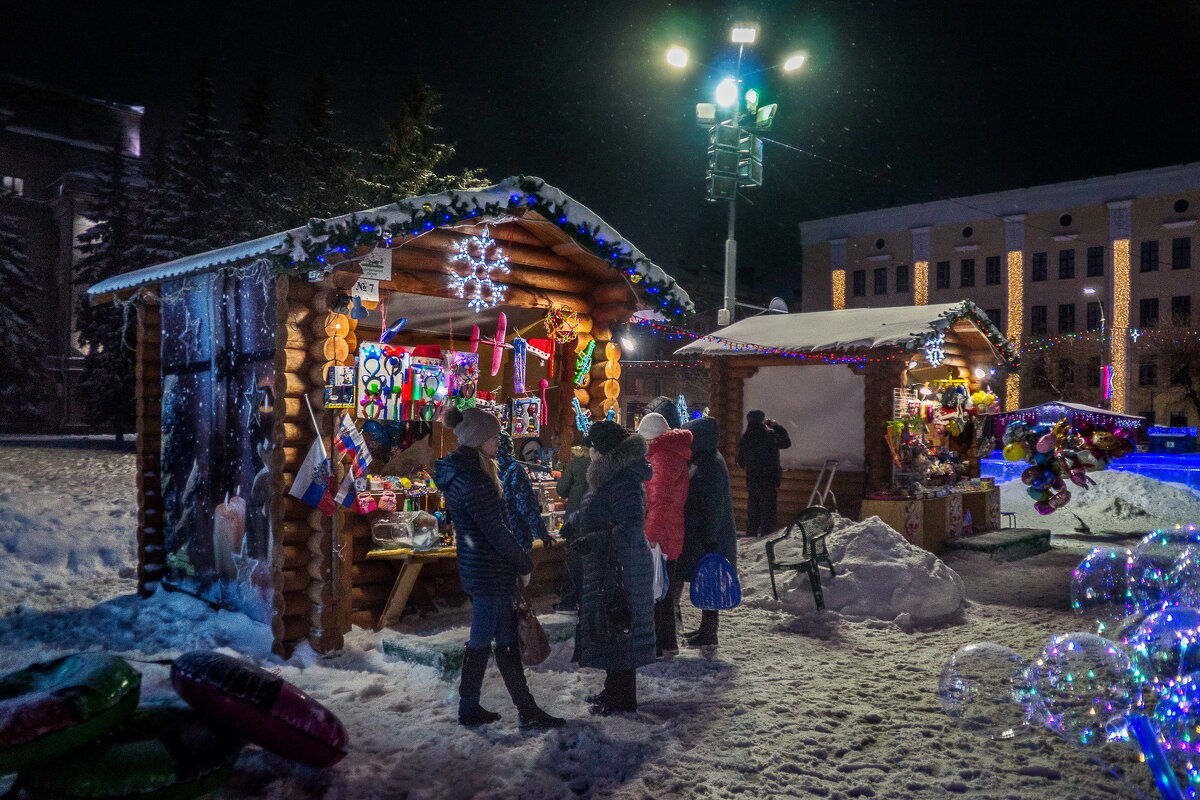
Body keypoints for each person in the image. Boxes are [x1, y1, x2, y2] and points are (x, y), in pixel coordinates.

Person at [434, 407, 564, 731]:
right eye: (492, 436)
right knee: (482, 641)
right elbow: (496, 530)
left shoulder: (465, 473)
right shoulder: (474, 479)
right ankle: (475, 706)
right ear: (479, 440)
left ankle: (520, 707)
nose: (497, 441)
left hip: (482, 568)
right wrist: (524, 563)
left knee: (503, 639)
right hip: (489, 571)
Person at [572, 420, 656, 715]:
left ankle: (622, 700)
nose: (589, 453)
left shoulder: (624, 481)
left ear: (604, 452)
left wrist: (595, 540)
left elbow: (631, 528)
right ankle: (613, 692)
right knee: (611, 627)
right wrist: (575, 525)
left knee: (620, 629)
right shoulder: (611, 478)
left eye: (592, 448)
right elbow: (598, 510)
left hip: (623, 569)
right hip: (611, 566)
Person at [677, 415, 737, 659]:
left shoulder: (709, 465)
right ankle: (705, 631)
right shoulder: (708, 459)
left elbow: (712, 505)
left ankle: (709, 634)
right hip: (707, 535)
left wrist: (710, 538)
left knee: (710, 582)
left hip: (710, 537)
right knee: (707, 582)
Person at [636, 412, 692, 661]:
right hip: (671, 531)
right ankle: (666, 643)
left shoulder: (662, 458)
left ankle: (663, 645)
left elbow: (658, 502)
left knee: (659, 592)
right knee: (664, 592)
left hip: (663, 536)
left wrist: (651, 535)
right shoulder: (670, 454)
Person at [736, 409, 792, 537]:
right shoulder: (770, 436)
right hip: (769, 479)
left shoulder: (745, 438)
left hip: (752, 480)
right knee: (768, 513)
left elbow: (741, 462)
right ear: (762, 421)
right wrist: (776, 426)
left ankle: (751, 536)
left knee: (753, 511)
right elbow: (786, 443)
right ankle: (766, 539)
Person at [496, 430, 551, 553]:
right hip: (517, 536)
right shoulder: (515, 470)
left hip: (493, 538)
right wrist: (541, 533)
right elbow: (526, 505)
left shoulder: (484, 468)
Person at [553, 443, 590, 612]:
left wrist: (572, 493)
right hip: (595, 517)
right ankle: (585, 601)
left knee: (572, 559)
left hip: (576, 516)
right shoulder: (604, 461)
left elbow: (561, 488)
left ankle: (568, 601)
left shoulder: (576, 463)